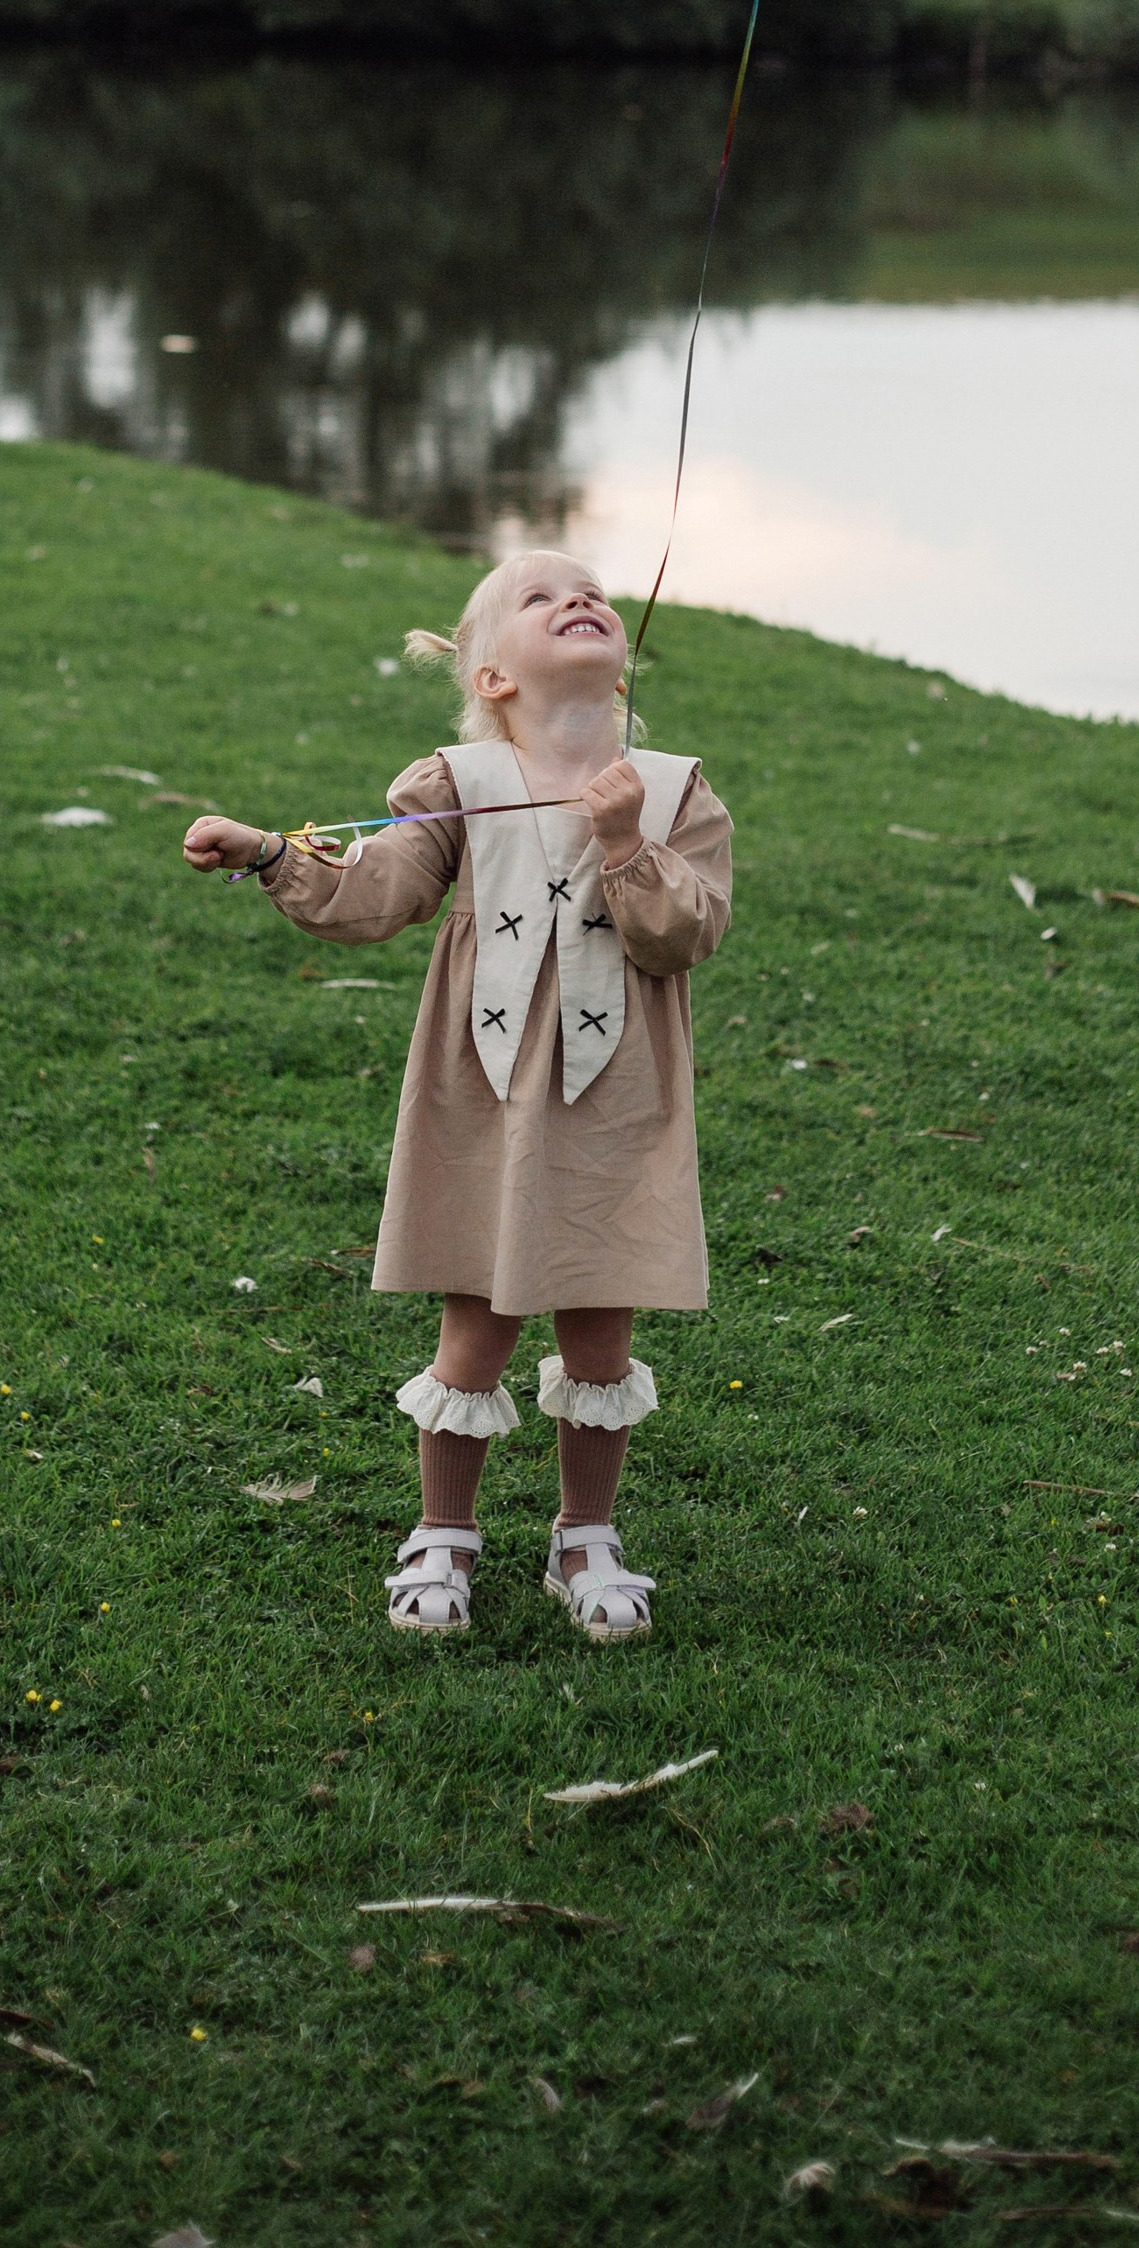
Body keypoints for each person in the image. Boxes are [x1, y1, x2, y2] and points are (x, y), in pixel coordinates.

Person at [182, 549, 731, 1643]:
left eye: (591, 592)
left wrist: (624, 836)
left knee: (600, 1315)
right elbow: (371, 894)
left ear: (621, 665)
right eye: (541, 596)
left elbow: (688, 932)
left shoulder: (674, 790)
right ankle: (444, 1532)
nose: (579, 598)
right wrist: (266, 855)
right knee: (474, 1314)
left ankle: (586, 1535)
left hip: (616, 1094)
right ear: (492, 677)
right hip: (484, 1089)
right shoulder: (458, 784)